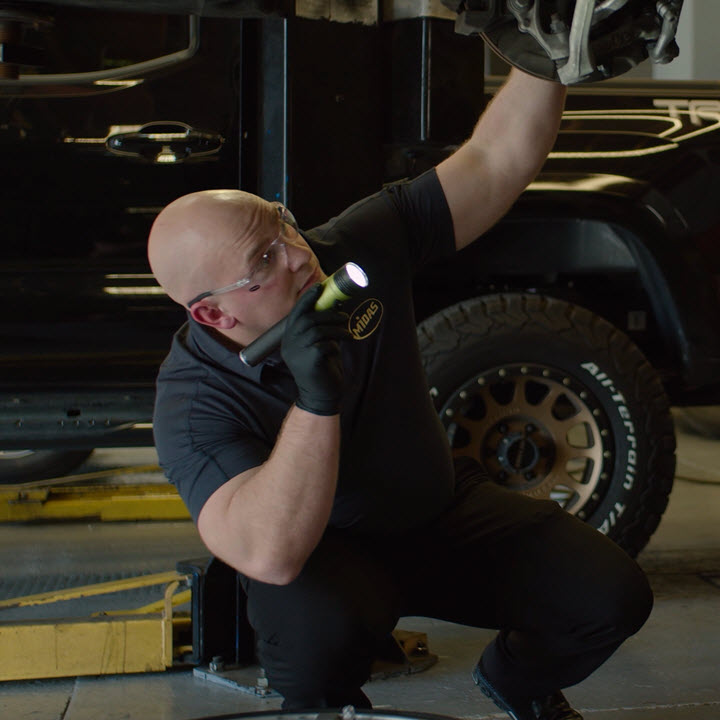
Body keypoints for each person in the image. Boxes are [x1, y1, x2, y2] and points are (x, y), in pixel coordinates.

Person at [148, 67, 653, 720]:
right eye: (264, 261)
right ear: (213, 313)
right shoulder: (192, 401)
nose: (298, 255)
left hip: (440, 512)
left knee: (610, 596)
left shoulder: (353, 248)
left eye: (282, 226)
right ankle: (330, 709)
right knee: (314, 638)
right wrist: (315, 399)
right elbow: (267, 553)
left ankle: (518, 682)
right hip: (328, 556)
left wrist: (545, 61)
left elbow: (494, 160)